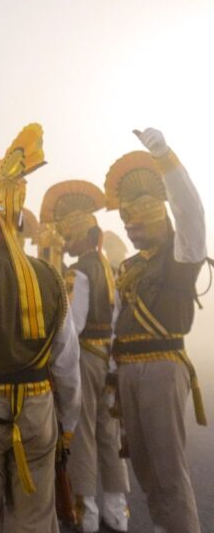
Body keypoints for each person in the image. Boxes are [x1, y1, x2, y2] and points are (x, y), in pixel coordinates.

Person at [0, 124, 81, 532]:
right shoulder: (52, 275)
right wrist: (69, 421)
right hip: (39, 408)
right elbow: (67, 359)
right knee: (36, 520)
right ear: (20, 219)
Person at [104, 128, 208, 533]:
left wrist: (166, 160)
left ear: (160, 219)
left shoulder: (180, 254)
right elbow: (117, 320)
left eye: (139, 221)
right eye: (128, 223)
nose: (131, 229)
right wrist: (113, 375)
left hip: (162, 367)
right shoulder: (130, 267)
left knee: (168, 471)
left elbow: (191, 212)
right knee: (146, 470)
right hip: (129, 369)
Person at [40, 180, 130, 532]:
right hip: (107, 356)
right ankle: (117, 509)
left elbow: (71, 324)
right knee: (108, 433)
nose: (66, 241)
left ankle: (85, 509)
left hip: (85, 359)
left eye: (69, 235)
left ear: (81, 236)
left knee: (83, 434)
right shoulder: (108, 265)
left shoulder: (77, 271)